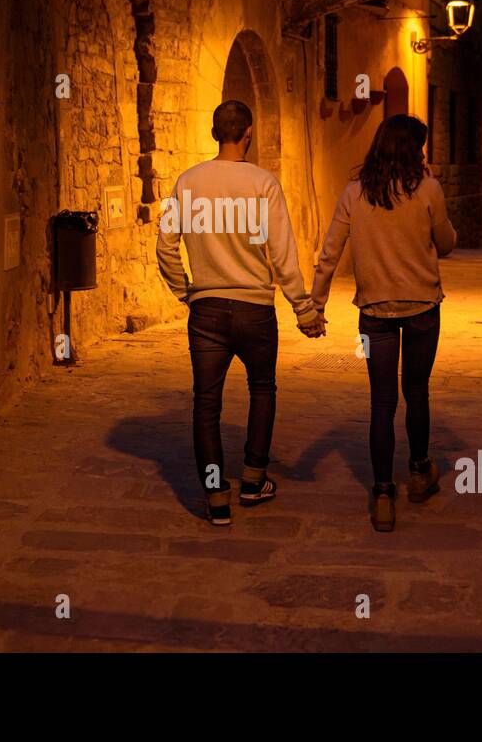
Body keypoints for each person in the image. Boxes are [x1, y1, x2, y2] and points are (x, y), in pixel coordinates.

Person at [157, 99, 326, 526]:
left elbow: (165, 246)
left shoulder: (187, 182)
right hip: (255, 309)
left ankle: (215, 496)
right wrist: (303, 309)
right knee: (262, 389)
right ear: (247, 132)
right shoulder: (263, 183)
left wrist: (187, 292)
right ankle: (252, 480)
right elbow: (282, 251)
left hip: (207, 310)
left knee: (206, 403)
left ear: (216, 132)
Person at [310, 114, 457, 532]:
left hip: (374, 314)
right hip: (423, 309)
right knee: (416, 391)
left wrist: (316, 305)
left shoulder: (354, 193)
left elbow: (330, 252)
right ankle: (419, 470)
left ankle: (381, 493)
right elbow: (445, 244)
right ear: (413, 150)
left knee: (381, 401)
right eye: (421, 147)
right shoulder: (429, 188)